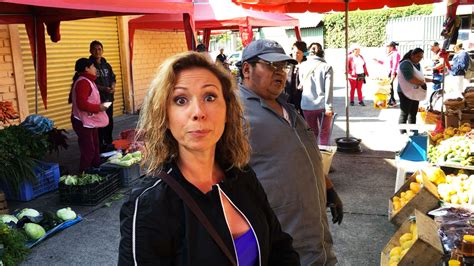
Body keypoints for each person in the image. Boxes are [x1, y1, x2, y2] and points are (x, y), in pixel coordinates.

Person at [118, 52, 300, 265]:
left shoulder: (242, 176)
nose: (198, 112)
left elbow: (280, 247)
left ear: (227, 109)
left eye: (210, 97)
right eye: (180, 100)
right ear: (165, 116)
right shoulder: (150, 203)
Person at [238, 39, 340, 265]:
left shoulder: (285, 104)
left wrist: (327, 187)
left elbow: (298, 154)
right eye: (271, 66)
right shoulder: (235, 113)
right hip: (283, 241)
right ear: (247, 69)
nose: (280, 73)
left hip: (316, 237)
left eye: (283, 67)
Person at [68, 58, 109, 172]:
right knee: (89, 150)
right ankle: (83, 174)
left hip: (89, 121)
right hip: (82, 122)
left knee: (95, 146)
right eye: (93, 67)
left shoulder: (89, 81)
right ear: (86, 68)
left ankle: (96, 169)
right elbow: (82, 104)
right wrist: (99, 108)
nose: (95, 69)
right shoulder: (83, 82)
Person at [299, 42, 334, 145]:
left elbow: (302, 84)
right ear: (321, 52)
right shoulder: (327, 67)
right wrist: (329, 107)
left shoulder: (303, 65)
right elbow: (329, 89)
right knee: (324, 134)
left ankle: (314, 158)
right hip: (323, 106)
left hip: (307, 105)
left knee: (312, 134)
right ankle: (323, 158)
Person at [89, 40, 116, 153]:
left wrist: (113, 86)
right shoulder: (89, 65)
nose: (97, 51)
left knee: (109, 121)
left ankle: (109, 142)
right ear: (90, 51)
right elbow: (90, 83)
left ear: (102, 51)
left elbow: (113, 78)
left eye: (99, 49)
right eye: (94, 49)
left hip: (108, 99)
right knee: (99, 123)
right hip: (97, 101)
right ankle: (100, 144)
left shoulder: (106, 65)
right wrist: (103, 88)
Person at [397, 48, 431, 134]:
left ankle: (413, 130)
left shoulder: (417, 64)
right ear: (412, 55)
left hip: (414, 91)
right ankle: (403, 131)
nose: (419, 58)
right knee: (405, 112)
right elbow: (410, 78)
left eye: (421, 57)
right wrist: (422, 83)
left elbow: (420, 77)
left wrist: (431, 80)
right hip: (405, 91)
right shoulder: (405, 64)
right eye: (417, 56)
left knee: (413, 112)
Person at [374, 41, 401, 107]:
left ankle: (391, 101)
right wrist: (378, 61)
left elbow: (395, 64)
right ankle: (391, 101)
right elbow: (385, 63)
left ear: (391, 47)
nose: (386, 48)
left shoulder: (395, 54)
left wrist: (393, 73)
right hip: (388, 72)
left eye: (387, 47)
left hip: (391, 72)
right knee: (389, 87)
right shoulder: (390, 53)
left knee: (388, 86)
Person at [284, 41, 307, 116]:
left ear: (303, 53)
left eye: (298, 53)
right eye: (293, 52)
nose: (295, 55)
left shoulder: (307, 65)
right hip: (289, 96)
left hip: (303, 98)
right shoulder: (289, 63)